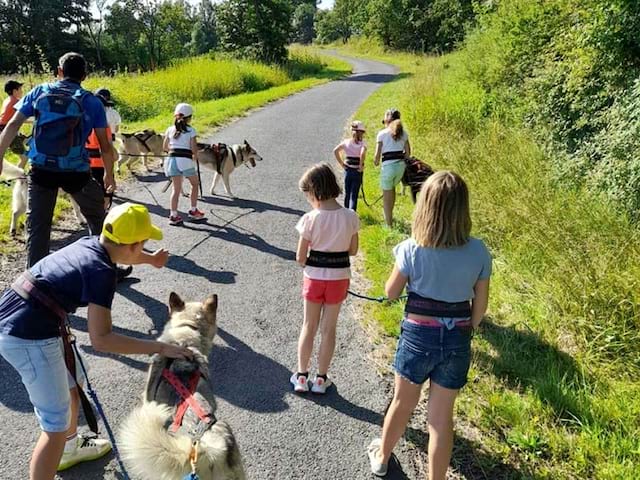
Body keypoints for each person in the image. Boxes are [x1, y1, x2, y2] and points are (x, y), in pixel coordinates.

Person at [0, 202, 194, 480]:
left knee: (73, 382)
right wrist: (161, 347)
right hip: (27, 336)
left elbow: (124, 253)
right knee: (53, 427)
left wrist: (150, 259)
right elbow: (102, 340)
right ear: (134, 244)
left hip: (21, 312)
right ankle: (59, 446)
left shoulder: (92, 243)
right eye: (143, 245)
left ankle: (69, 448)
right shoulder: (102, 273)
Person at [367, 171, 491, 478]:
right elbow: (481, 306)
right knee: (440, 419)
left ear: (425, 206)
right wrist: (469, 328)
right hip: (457, 339)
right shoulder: (479, 251)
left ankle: (382, 457)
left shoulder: (412, 248)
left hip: (418, 336)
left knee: (403, 403)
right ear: (463, 209)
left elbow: (391, 292)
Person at [0, 52, 123, 275]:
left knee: (38, 227)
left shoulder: (39, 91)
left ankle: (34, 279)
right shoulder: (91, 101)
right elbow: (105, 145)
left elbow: (12, 125)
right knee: (97, 216)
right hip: (75, 171)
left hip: (41, 169)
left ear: (58, 72)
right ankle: (107, 267)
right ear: (84, 76)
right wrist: (109, 175)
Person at [291, 163, 360, 394]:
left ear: (314, 191)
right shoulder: (350, 216)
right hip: (339, 279)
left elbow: (300, 257)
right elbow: (353, 250)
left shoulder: (310, 218)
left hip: (314, 278)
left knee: (308, 326)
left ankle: (301, 376)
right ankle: (321, 379)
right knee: (329, 329)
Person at [162, 102, 206, 226]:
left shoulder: (170, 129)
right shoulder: (191, 130)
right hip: (185, 161)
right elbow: (193, 149)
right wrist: (195, 156)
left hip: (171, 161)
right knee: (195, 184)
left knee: (175, 190)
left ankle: (173, 215)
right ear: (189, 118)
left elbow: (165, 147)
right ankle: (193, 211)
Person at [373, 109, 411, 227]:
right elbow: (408, 153)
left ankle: (388, 225)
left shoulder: (382, 134)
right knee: (392, 191)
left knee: (386, 198)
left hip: (388, 168)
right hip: (400, 168)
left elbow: (377, 155)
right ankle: (391, 216)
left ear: (387, 120)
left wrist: (375, 162)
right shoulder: (404, 133)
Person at [333, 120, 367, 211]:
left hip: (348, 170)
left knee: (347, 193)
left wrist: (342, 164)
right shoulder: (363, 143)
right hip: (357, 171)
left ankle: (345, 212)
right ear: (362, 132)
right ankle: (352, 213)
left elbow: (335, 151)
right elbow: (362, 153)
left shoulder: (346, 142)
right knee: (354, 194)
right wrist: (360, 165)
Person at [0, 79, 28, 169]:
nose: (22, 91)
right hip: (7, 131)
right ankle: (19, 178)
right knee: (24, 158)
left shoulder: (7, 100)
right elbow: (23, 117)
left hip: (4, 129)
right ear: (15, 91)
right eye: (20, 89)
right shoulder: (16, 102)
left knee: (27, 141)